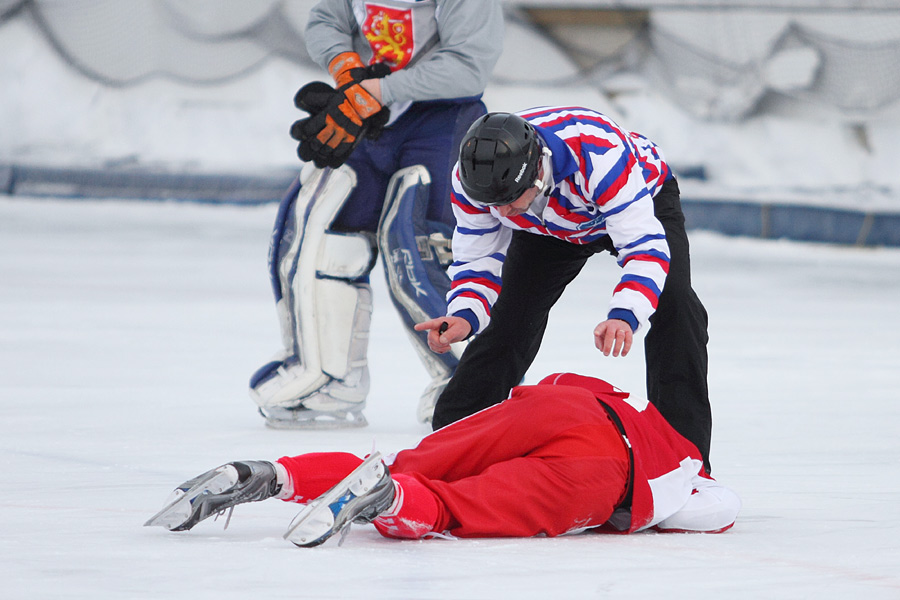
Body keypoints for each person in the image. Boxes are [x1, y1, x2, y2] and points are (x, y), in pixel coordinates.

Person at [248, 0, 504, 429]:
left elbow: (468, 66)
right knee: (321, 227)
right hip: (370, 114)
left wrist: (377, 92)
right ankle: (330, 376)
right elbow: (326, 20)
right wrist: (348, 70)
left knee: (422, 243)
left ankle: (473, 387)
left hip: (442, 117)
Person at [414, 108, 714, 471]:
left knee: (676, 308)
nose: (504, 212)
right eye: (495, 205)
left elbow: (643, 247)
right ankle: (448, 446)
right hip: (550, 228)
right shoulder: (471, 181)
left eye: (510, 199)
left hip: (639, 200)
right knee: (510, 319)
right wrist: (464, 315)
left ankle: (686, 462)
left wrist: (625, 314)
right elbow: (478, 257)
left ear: (537, 170)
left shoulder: (599, 154)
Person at [145, 373, 740, 547]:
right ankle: (389, 503)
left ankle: (272, 477)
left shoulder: (634, 403)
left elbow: (557, 378)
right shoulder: (692, 468)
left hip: (565, 407)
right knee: (457, 506)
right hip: (602, 473)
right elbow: (716, 511)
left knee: (411, 459)